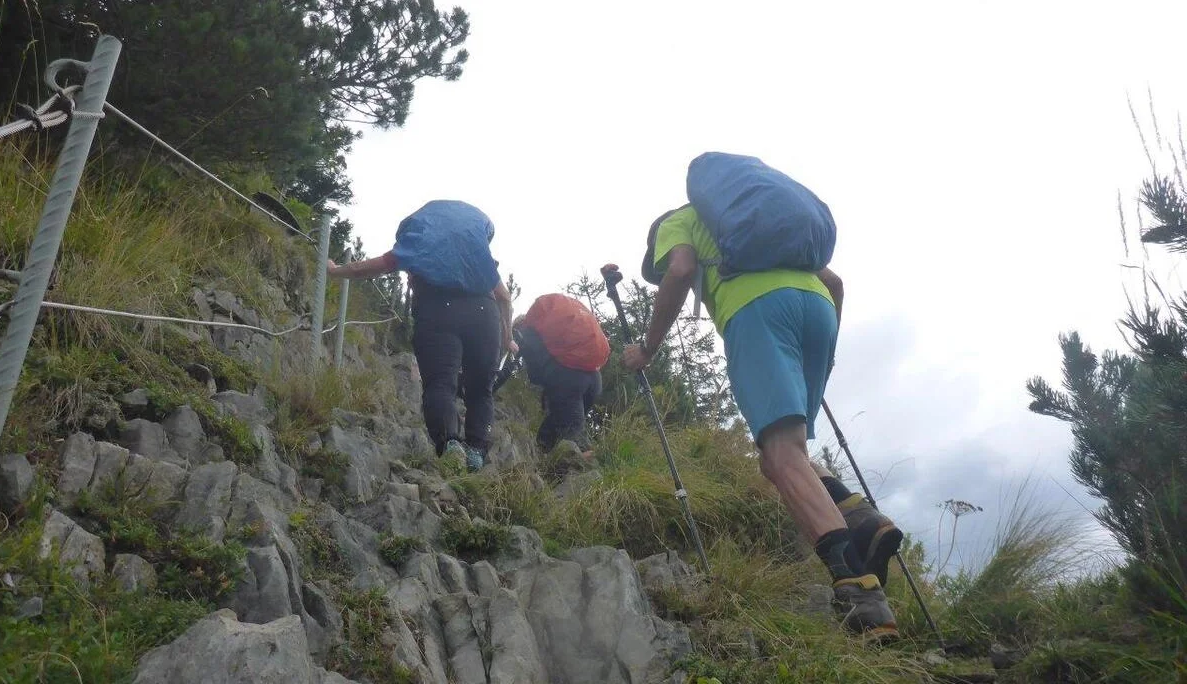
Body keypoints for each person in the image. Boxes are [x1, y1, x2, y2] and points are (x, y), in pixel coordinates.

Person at [622, 204, 903, 640]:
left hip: (758, 310)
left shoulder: (678, 222)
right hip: (820, 310)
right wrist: (824, 351)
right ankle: (861, 517)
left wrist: (647, 349)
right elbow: (834, 282)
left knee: (780, 457)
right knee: (789, 455)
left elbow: (680, 269)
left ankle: (859, 591)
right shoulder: (749, 219)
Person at [327, 201, 512, 472]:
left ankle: (450, 445)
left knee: (440, 384)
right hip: (484, 315)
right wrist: (507, 338)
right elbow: (504, 298)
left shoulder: (418, 244)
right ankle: (476, 454)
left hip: (436, 311)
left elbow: (366, 268)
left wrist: (334, 270)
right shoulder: (476, 256)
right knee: (480, 390)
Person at [510, 306, 605, 456]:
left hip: (568, 382)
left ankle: (588, 464)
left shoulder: (526, 334)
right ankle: (544, 457)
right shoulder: (556, 337)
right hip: (594, 379)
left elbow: (534, 376)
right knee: (551, 428)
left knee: (574, 437)